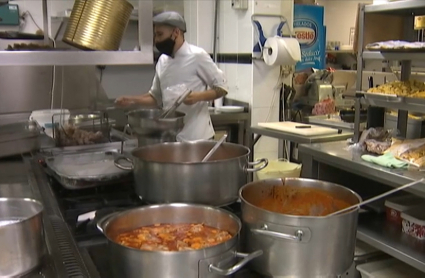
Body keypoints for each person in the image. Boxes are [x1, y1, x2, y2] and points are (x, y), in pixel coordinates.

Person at [115, 11, 228, 141]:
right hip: (171, 137)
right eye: (155, 35)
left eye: (160, 34)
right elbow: (155, 97)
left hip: (197, 138)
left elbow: (222, 87)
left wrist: (197, 97)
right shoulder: (162, 61)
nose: (156, 40)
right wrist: (131, 100)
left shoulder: (197, 56)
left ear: (176, 32)